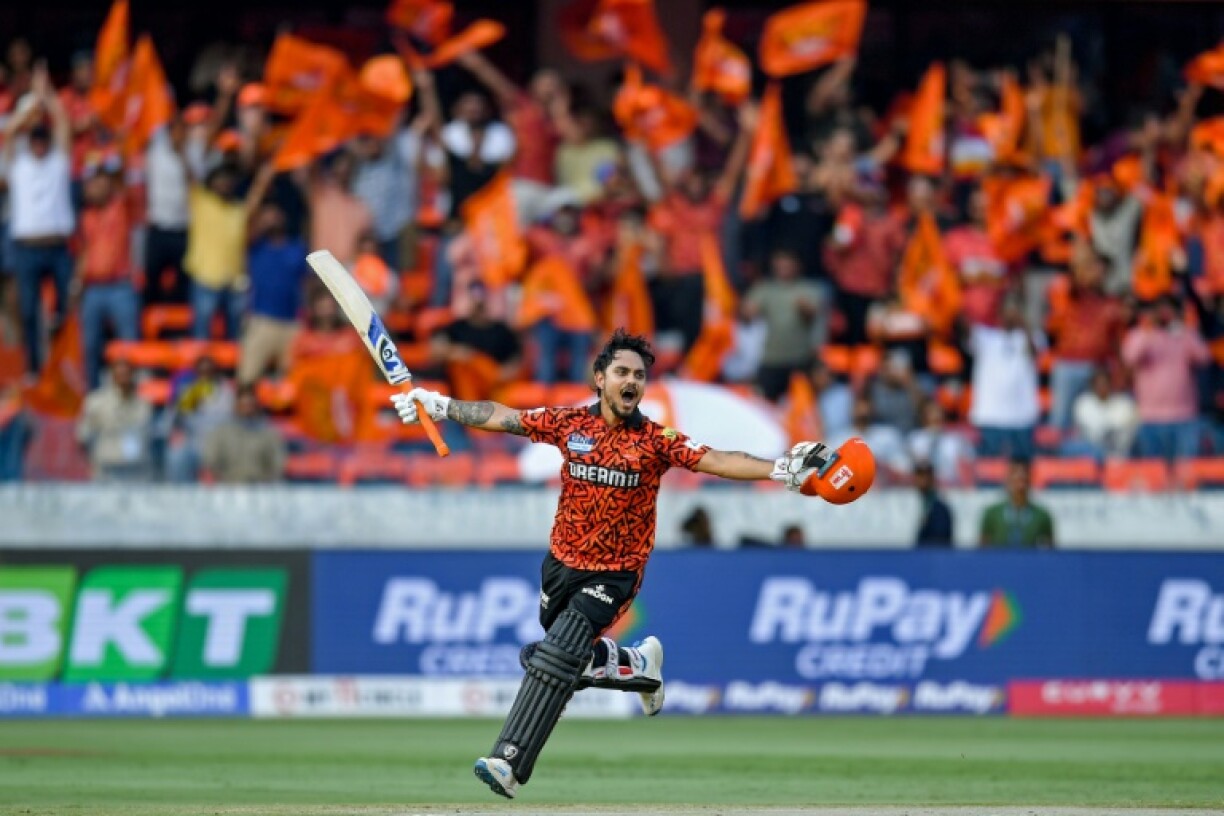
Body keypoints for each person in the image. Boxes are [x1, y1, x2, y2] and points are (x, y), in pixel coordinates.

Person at [391, 329, 874, 799]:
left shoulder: (655, 440)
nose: (631, 381)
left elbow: (716, 460)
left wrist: (779, 469)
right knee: (557, 657)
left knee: (556, 656)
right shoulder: (569, 425)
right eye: (621, 371)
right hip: (560, 565)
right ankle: (638, 666)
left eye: (639, 375)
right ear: (599, 377)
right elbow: (504, 416)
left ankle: (509, 763)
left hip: (615, 573)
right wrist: (440, 405)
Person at [4, 62, 74, 378]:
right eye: (36, 139)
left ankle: (64, 366)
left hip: (58, 246)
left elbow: (62, 123)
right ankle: (34, 368)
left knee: (66, 309)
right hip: (27, 248)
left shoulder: (59, 162)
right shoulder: (18, 165)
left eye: (44, 139)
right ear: (29, 141)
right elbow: (6, 133)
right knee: (28, 310)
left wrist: (46, 95)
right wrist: (32, 100)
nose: (41, 144)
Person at [75, 155, 138, 390]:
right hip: (92, 289)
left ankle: (134, 394)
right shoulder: (85, 216)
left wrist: (110, 159)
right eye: (92, 182)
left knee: (129, 346)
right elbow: (82, 254)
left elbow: (123, 179)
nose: (97, 187)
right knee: (90, 347)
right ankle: (93, 397)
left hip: (121, 286)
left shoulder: (121, 206)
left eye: (101, 181)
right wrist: (77, 287)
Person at [1121, 295, 1211, 460]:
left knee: (1186, 475)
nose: (1165, 314)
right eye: (1160, 310)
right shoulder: (1140, 334)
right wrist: (1150, 330)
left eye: (1169, 310)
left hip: (1185, 417)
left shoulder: (1185, 335)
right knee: (1153, 473)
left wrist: (1184, 331)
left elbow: (1204, 357)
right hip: (1150, 417)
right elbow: (1130, 357)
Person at [742, 249, 827, 402]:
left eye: (789, 261)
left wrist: (806, 310)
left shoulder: (809, 290)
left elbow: (815, 317)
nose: (784, 265)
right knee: (764, 405)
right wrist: (747, 311)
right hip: (771, 360)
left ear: (797, 265)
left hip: (800, 360)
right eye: (781, 261)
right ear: (774, 263)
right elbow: (746, 317)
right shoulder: (764, 289)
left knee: (802, 406)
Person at [76, 359, 154, 481]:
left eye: (127, 374)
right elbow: (82, 436)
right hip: (106, 468)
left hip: (136, 469)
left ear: (133, 375)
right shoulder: (96, 402)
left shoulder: (144, 404)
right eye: (120, 374)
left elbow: (149, 437)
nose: (124, 379)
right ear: (112, 376)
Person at [201, 383, 285, 483]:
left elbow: (278, 463)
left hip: (260, 487)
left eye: (250, 405)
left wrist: (267, 481)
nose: (247, 409)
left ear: (257, 407)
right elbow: (210, 461)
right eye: (243, 405)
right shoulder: (220, 433)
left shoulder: (269, 434)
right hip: (227, 487)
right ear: (235, 406)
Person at [979, 457, 1055, 549]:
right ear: (1007, 479)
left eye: (1024, 473)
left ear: (1030, 479)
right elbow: (982, 553)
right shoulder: (991, 514)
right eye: (1014, 473)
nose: (1020, 477)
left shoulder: (1042, 516)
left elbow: (1050, 554)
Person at [913, 460, 954, 547]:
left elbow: (939, 541)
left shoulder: (939, 509)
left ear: (931, 478)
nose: (919, 480)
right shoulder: (924, 504)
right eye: (918, 475)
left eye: (924, 475)